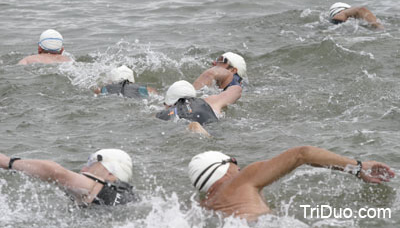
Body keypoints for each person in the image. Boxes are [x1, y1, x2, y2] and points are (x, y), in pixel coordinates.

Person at [188, 146, 395, 221]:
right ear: (221, 167)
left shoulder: (204, 206)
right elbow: (301, 154)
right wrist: (358, 167)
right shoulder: (241, 180)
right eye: (233, 162)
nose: (238, 166)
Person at [0, 149, 139, 206]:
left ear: (110, 172)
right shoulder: (127, 196)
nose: (84, 169)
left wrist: (8, 162)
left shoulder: (102, 187)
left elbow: (56, 173)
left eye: (91, 163)